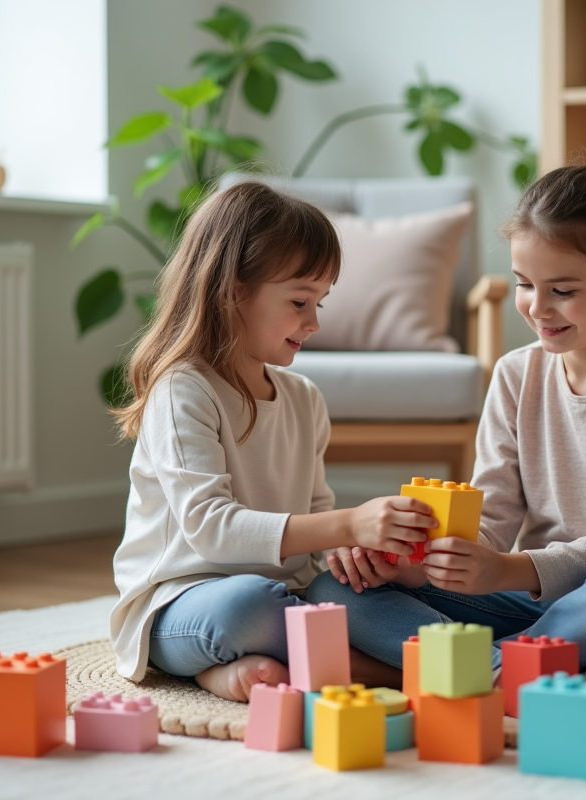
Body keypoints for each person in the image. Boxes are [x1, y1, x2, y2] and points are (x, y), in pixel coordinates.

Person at [308, 163, 586, 686]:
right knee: (333, 590)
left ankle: (465, 667)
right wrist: (409, 564)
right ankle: (513, 670)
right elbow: (490, 522)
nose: (538, 308)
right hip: (530, 605)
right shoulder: (514, 374)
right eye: (525, 284)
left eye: (563, 290)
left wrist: (506, 570)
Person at [109, 181, 434, 701]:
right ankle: (411, 673)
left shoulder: (304, 399)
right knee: (249, 607)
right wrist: (350, 521)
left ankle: (244, 667)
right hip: (181, 603)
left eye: (320, 302)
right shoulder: (183, 390)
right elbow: (212, 530)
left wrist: (354, 553)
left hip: (285, 593)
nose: (314, 322)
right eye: (300, 301)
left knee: (345, 591)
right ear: (235, 289)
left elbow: (315, 520)